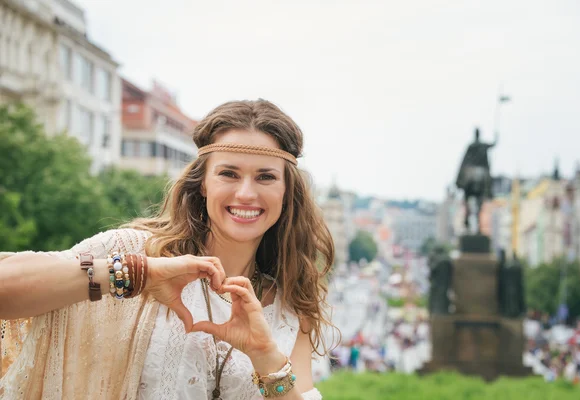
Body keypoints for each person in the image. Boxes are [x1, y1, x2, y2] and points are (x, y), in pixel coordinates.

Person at [0, 100, 336, 399]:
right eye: (228, 174)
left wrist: (265, 356)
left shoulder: (293, 305)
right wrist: (136, 274)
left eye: (265, 177)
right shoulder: (134, 251)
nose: (246, 193)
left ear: (287, 191)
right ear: (203, 183)